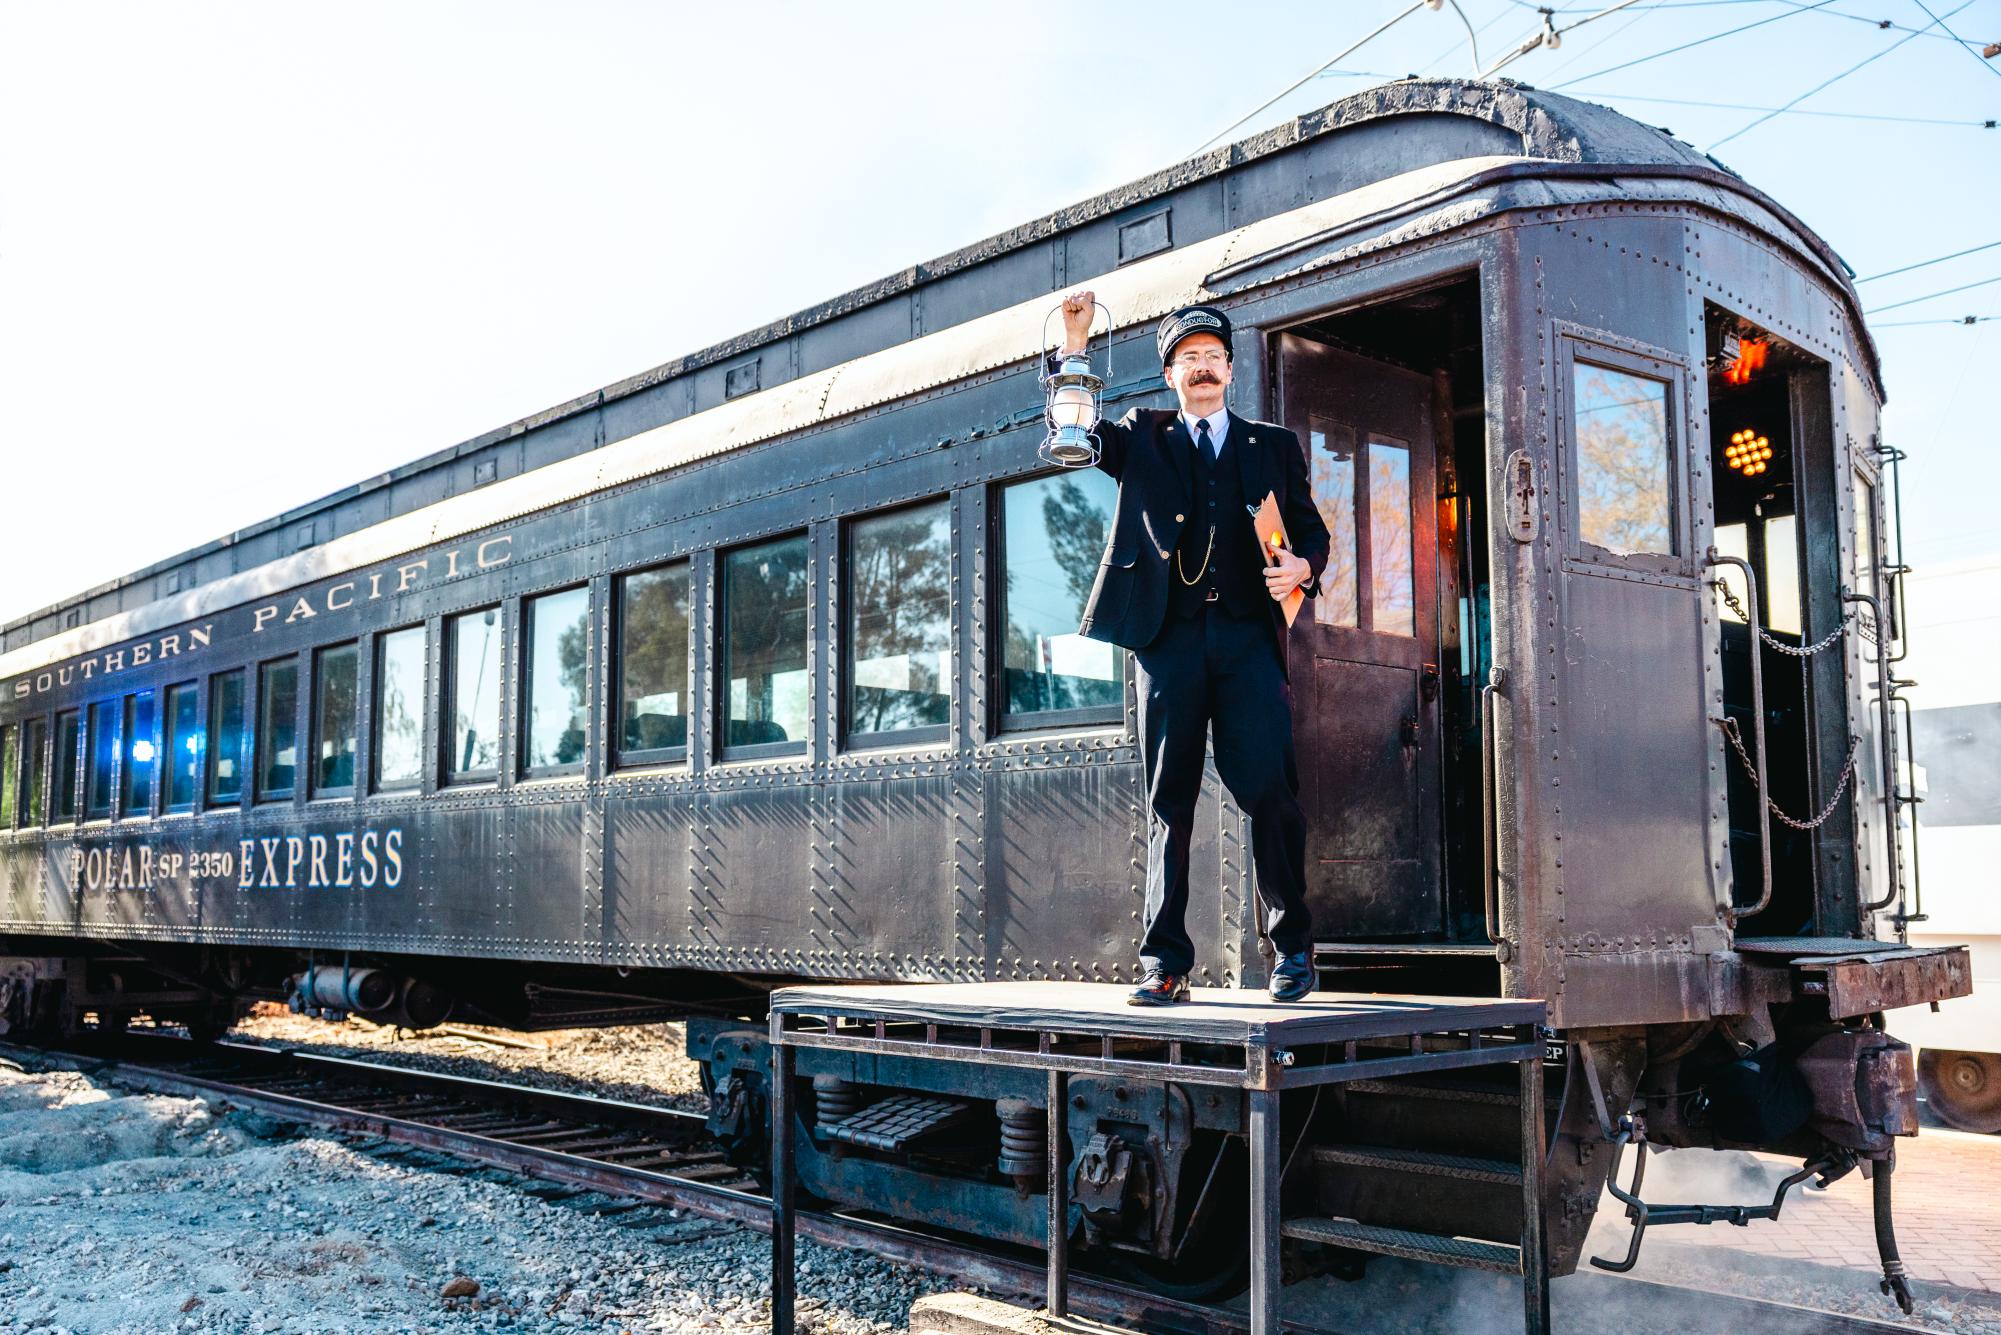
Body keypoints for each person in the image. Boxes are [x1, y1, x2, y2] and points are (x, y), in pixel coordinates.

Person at [1053, 291, 1331, 1005]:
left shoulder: (1271, 445)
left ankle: (1292, 950)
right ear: (1170, 376)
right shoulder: (1140, 435)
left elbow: (1310, 531)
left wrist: (1303, 566)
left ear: (1231, 371)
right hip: (1167, 643)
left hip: (1245, 640)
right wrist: (1076, 345)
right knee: (1167, 801)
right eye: (1187, 361)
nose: (1201, 370)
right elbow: (1073, 432)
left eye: (1211, 358)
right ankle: (1164, 963)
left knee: (1269, 789)